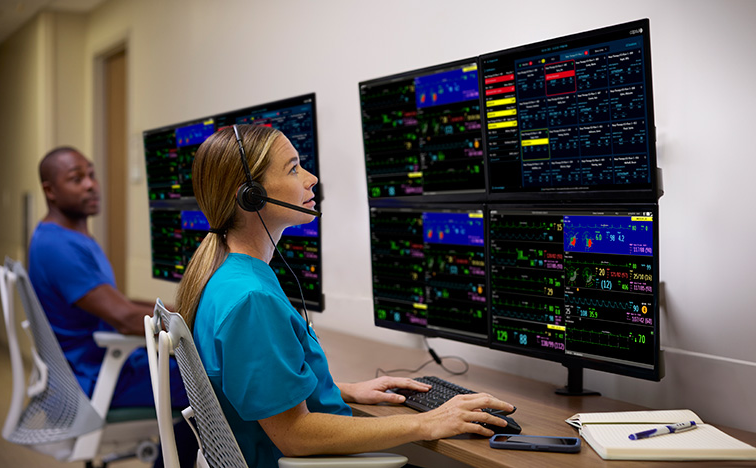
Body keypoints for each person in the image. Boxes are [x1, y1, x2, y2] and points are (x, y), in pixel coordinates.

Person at [177, 124, 515, 468]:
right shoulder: (251, 298)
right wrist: (428, 422)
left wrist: (342, 390)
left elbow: (250, 383)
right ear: (251, 195)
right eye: (293, 168)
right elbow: (295, 434)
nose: (311, 178)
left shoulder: (224, 276)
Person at [28, 146, 197, 468]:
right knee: (214, 383)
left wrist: (187, 309)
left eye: (91, 175)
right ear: (50, 190)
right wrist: (204, 320)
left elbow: (118, 303)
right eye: (76, 179)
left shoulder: (63, 237)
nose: (91, 184)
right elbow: (123, 318)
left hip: (97, 369)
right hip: (98, 379)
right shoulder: (59, 247)